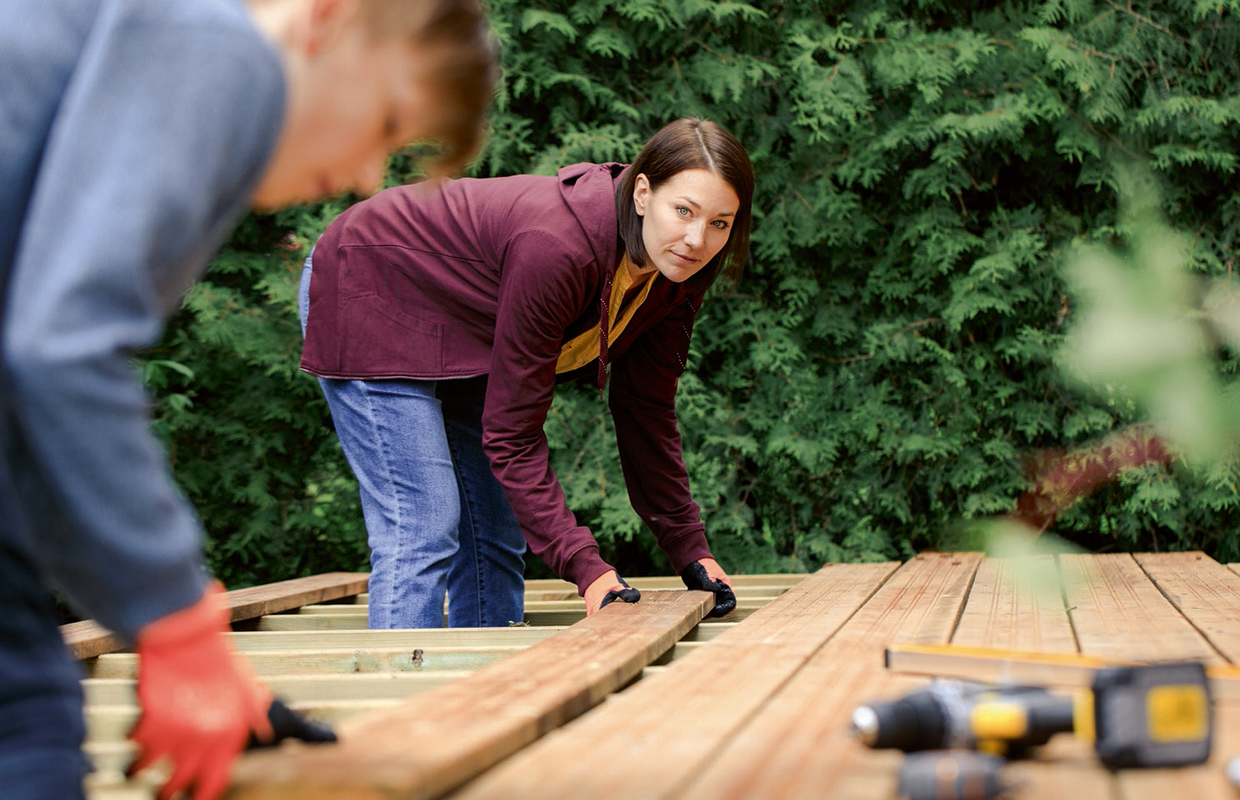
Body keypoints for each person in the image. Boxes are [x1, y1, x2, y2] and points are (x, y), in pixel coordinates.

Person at [0, 1, 494, 799]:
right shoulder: (217, 44)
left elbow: (26, 397)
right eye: (385, 123)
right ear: (328, 18)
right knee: (25, 729)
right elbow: (62, 352)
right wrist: (178, 627)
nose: (369, 177)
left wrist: (186, 643)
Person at [298, 118, 751, 628]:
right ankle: (400, 677)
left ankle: (486, 678)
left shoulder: (678, 268)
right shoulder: (558, 249)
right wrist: (588, 570)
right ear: (642, 193)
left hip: (464, 322)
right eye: (684, 211)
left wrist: (691, 550)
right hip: (372, 282)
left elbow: (644, 408)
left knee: (494, 528)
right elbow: (512, 436)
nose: (696, 239)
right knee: (424, 522)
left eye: (720, 223)